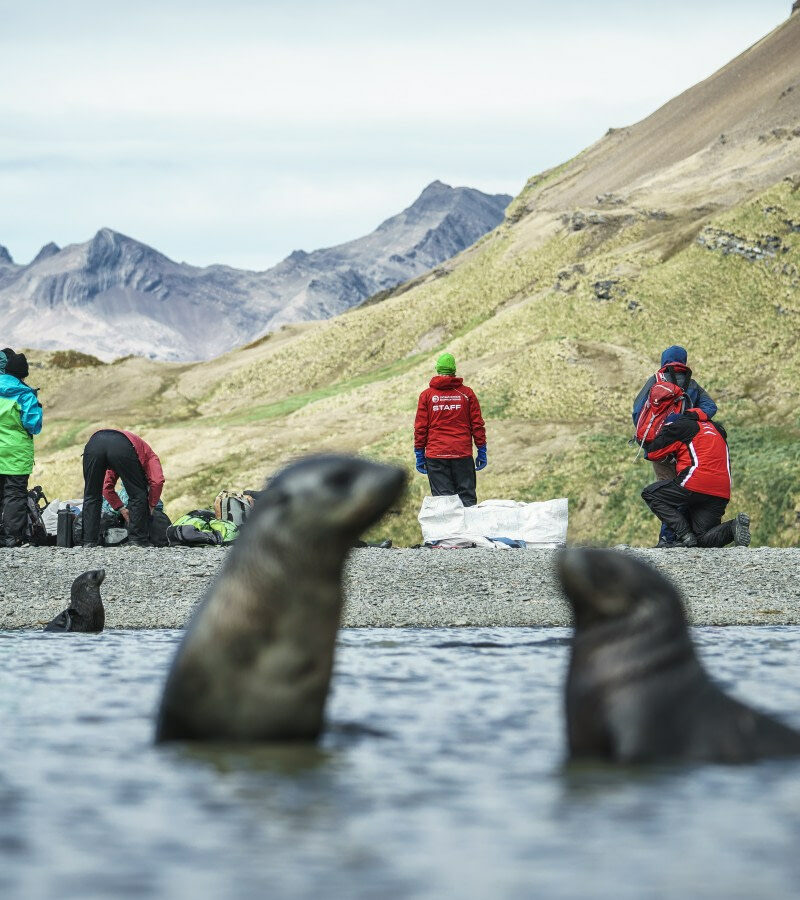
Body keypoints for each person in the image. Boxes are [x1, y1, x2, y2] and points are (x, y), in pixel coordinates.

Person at [632, 345, 717, 547]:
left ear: (663, 360)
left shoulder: (655, 382)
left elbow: (637, 412)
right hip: (685, 447)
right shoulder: (692, 384)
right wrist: (689, 418)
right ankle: (683, 537)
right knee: (682, 488)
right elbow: (711, 408)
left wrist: (648, 440)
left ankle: (668, 539)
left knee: (665, 491)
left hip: (659, 448)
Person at [641, 408, 750, 548]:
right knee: (703, 540)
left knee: (651, 494)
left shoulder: (683, 426)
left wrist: (664, 432)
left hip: (695, 482)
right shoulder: (717, 429)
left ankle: (684, 534)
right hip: (721, 490)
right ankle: (732, 527)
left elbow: (652, 453)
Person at [413, 353, 487, 507]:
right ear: (454, 370)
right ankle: (470, 531)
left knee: (444, 504)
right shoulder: (467, 394)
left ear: (437, 370)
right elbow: (477, 425)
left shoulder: (426, 396)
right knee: (467, 500)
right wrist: (481, 450)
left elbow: (420, 428)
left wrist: (419, 454)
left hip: (436, 456)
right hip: (462, 454)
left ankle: (450, 531)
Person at [82, 429, 165, 547]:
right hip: (122, 446)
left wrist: (120, 508)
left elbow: (106, 487)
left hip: (94, 443)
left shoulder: (123, 457)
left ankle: (89, 542)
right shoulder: (150, 456)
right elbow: (157, 481)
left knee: (91, 495)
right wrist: (151, 505)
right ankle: (138, 541)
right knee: (138, 494)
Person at [0, 349, 43, 547]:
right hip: (16, 454)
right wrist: (38, 407)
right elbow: (33, 425)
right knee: (15, 495)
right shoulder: (25, 395)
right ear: (23, 375)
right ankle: (12, 538)